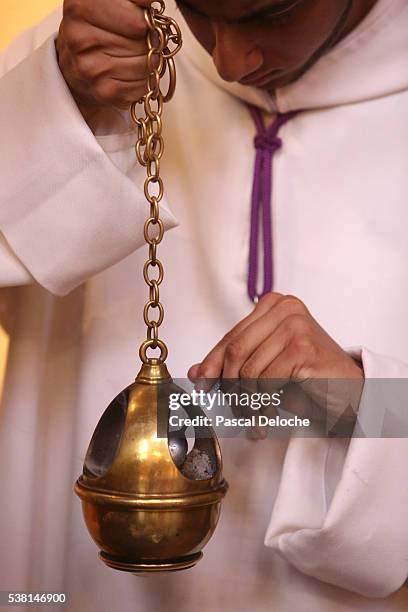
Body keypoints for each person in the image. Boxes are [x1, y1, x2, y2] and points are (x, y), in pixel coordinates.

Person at [0, 0, 408, 609]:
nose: (228, 61)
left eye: (271, 18)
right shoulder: (86, 57)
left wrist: (362, 404)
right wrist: (56, 106)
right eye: (198, 12)